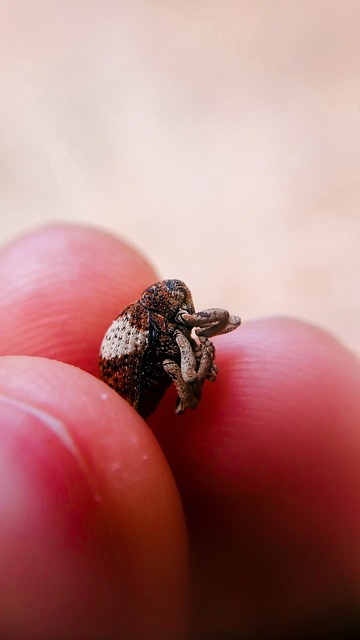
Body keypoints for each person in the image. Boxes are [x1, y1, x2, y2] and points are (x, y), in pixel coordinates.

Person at [0, 224, 359, 640]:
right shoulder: (150, 324)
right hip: (126, 383)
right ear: (165, 305)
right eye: (180, 305)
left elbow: (219, 326)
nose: (187, 311)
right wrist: (192, 367)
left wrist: (197, 353)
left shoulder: (167, 322)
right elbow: (185, 359)